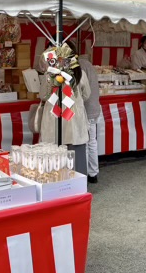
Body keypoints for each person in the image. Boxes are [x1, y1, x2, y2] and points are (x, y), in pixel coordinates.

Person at [39, 58, 91, 175]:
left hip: (54, 117)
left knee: (53, 155)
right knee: (76, 155)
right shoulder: (80, 73)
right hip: (74, 119)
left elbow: (42, 95)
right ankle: (78, 187)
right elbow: (87, 94)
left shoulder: (50, 74)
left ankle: (55, 184)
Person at [78, 53, 101, 183]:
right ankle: (93, 173)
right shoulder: (89, 65)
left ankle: (85, 174)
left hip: (85, 108)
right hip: (93, 107)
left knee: (85, 142)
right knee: (92, 141)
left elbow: (84, 93)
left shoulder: (80, 66)